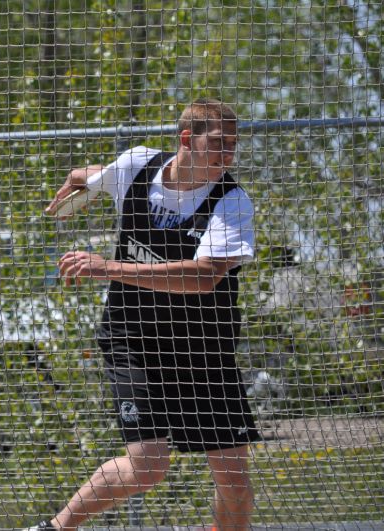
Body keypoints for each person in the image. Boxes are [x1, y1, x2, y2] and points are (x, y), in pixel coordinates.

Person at [31, 98, 259, 531]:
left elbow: (205, 277)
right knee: (148, 468)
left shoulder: (232, 202)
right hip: (132, 338)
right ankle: (55, 529)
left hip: (202, 349)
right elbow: (94, 175)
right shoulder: (137, 166)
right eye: (219, 142)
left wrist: (107, 267)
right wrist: (77, 179)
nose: (228, 154)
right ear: (187, 139)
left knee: (234, 484)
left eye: (233, 145)